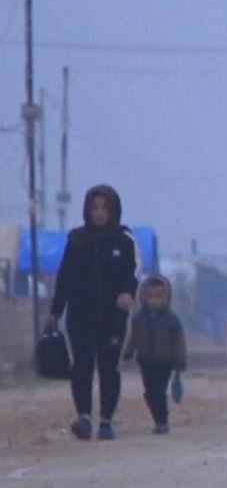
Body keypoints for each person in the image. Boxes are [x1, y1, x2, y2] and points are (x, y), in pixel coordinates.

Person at [47, 185, 141, 442]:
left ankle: (106, 420)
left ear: (113, 210)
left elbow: (132, 273)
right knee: (83, 366)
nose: (99, 213)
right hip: (81, 315)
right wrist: (56, 310)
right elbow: (65, 277)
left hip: (112, 317)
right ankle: (85, 417)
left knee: (109, 368)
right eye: (94, 207)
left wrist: (127, 293)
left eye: (104, 208)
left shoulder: (124, 240)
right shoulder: (77, 240)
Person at [122, 274, 187, 435]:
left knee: (159, 391)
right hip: (146, 361)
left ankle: (161, 421)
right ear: (144, 297)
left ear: (166, 298)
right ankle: (158, 417)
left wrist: (180, 361)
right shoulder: (139, 318)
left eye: (158, 297)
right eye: (150, 296)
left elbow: (179, 342)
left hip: (165, 362)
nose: (154, 300)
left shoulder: (172, 320)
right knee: (150, 392)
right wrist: (128, 353)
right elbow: (133, 338)